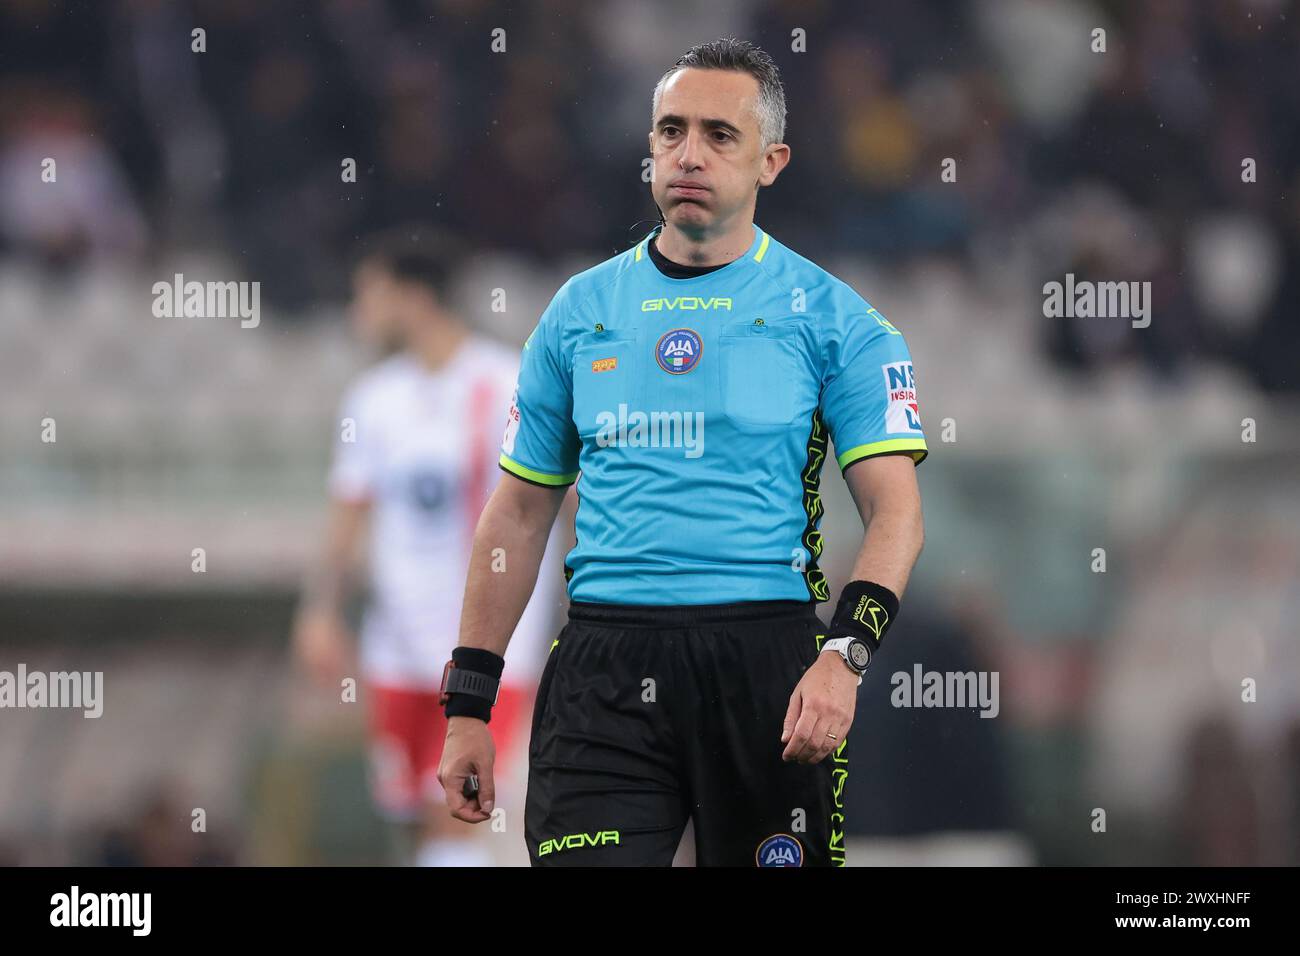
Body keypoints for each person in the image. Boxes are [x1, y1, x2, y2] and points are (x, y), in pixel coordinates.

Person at [437, 38, 927, 867]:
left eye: (718, 135)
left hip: (767, 669)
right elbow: (518, 517)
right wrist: (468, 705)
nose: (688, 154)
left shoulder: (837, 320)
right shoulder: (577, 312)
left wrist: (844, 658)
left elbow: (897, 515)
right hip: (604, 669)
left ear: (772, 161)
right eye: (671, 131)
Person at [292, 227, 560, 866]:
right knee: (412, 814)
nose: (359, 313)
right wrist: (320, 612)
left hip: (489, 642)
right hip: (398, 642)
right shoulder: (373, 399)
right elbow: (348, 519)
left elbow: (560, 500)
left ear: (412, 297)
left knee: (460, 808)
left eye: (368, 295)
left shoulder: (508, 382)